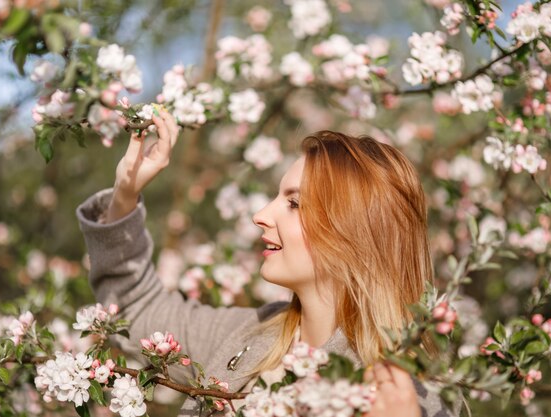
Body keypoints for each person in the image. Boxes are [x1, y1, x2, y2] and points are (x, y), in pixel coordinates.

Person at [76, 110, 458, 417]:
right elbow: (135, 308)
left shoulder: (409, 399)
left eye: (294, 203)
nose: (260, 214)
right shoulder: (249, 336)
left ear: (353, 233)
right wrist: (125, 194)